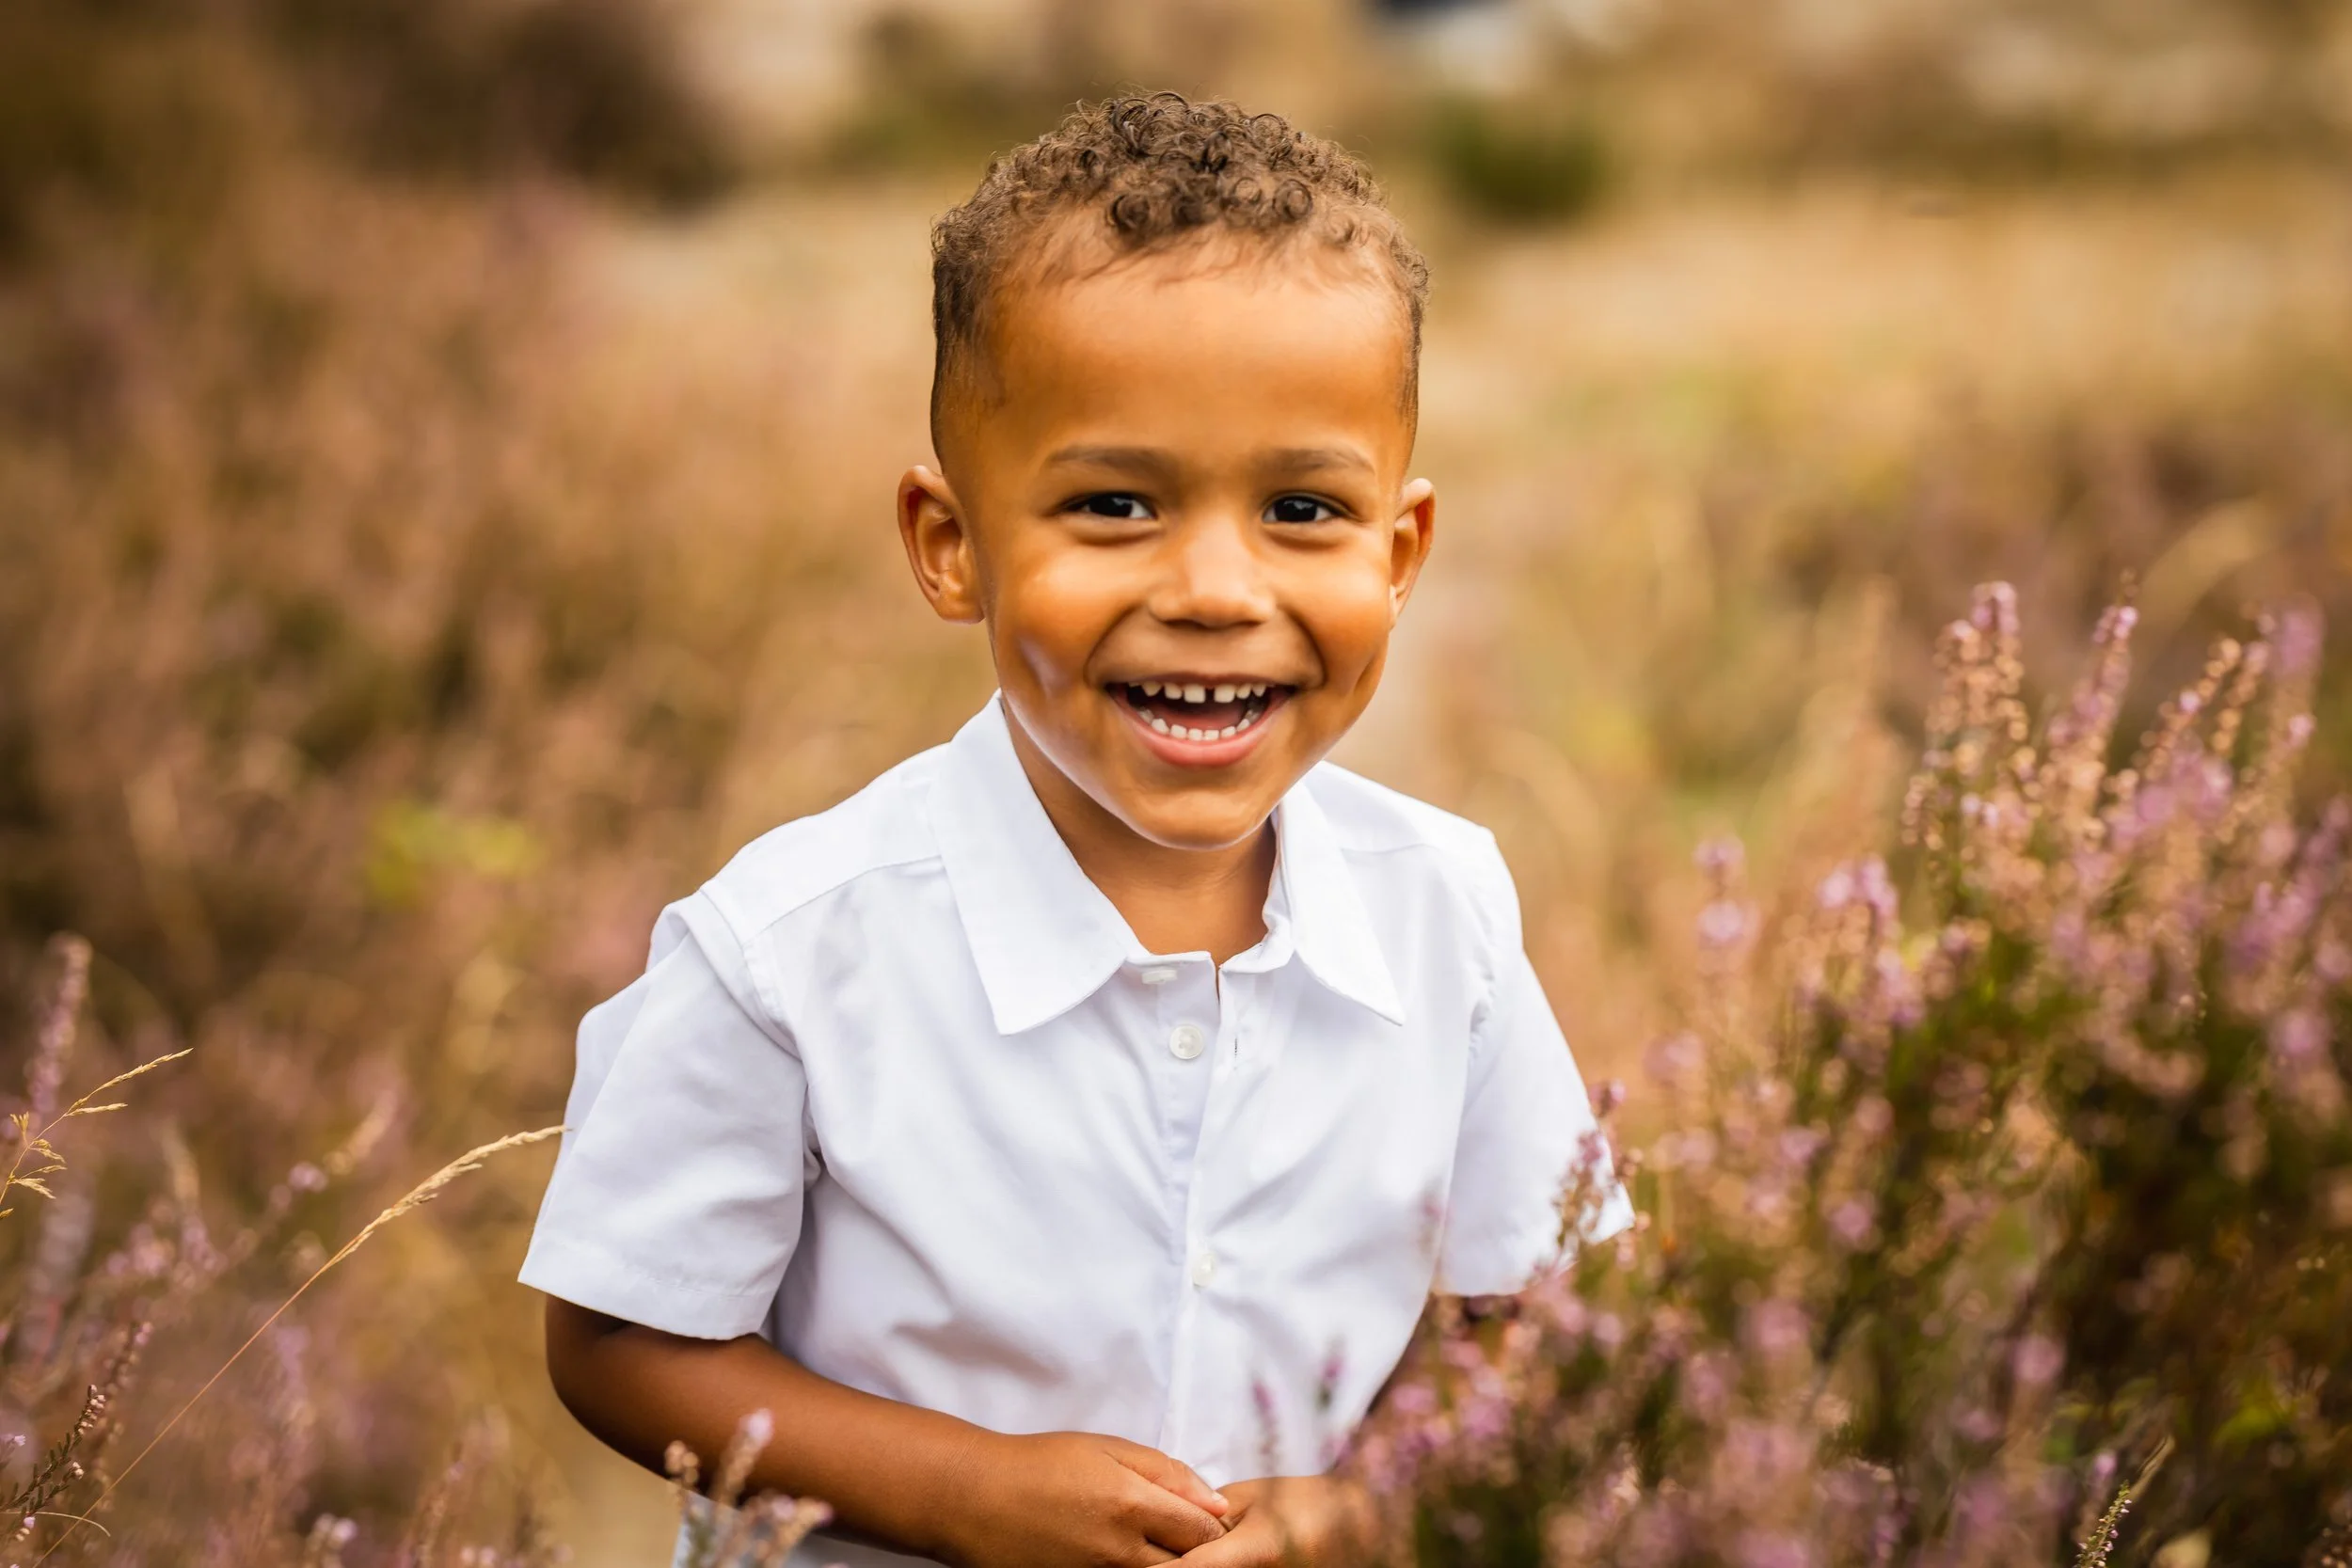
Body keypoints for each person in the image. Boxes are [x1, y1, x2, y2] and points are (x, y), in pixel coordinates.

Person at [520, 92, 1629, 1568]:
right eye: (1115, 503)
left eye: (1303, 507)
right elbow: (618, 1341)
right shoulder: (790, 951)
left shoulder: (1447, 912)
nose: (1220, 588)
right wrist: (962, 1492)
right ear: (951, 543)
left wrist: (1363, 1507)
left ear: (1402, 549)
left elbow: (1541, 1323)